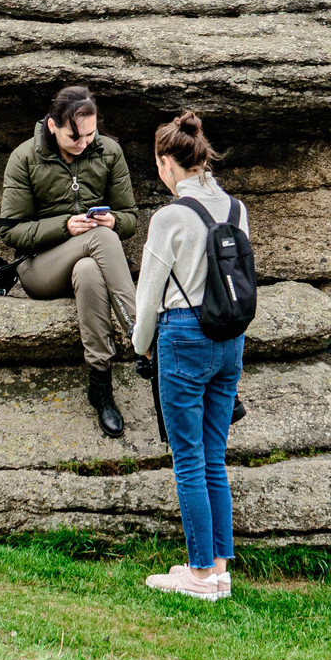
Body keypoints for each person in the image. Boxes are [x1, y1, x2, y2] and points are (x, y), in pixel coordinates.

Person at [131, 110, 244, 602]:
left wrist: (139, 347)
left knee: (189, 461)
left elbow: (148, 295)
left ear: (166, 163)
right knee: (214, 457)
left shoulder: (170, 217)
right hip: (230, 340)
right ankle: (219, 568)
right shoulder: (237, 210)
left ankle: (198, 575)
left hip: (183, 335)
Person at [0, 84, 142, 437]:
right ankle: (144, 336)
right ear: (52, 126)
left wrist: (114, 221)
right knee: (100, 239)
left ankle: (100, 384)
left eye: (91, 134)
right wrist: (64, 227)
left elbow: (131, 218)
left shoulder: (109, 152)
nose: (83, 143)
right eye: (73, 137)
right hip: (39, 268)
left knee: (91, 270)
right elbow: (11, 232)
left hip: (89, 261)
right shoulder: (24, 157)